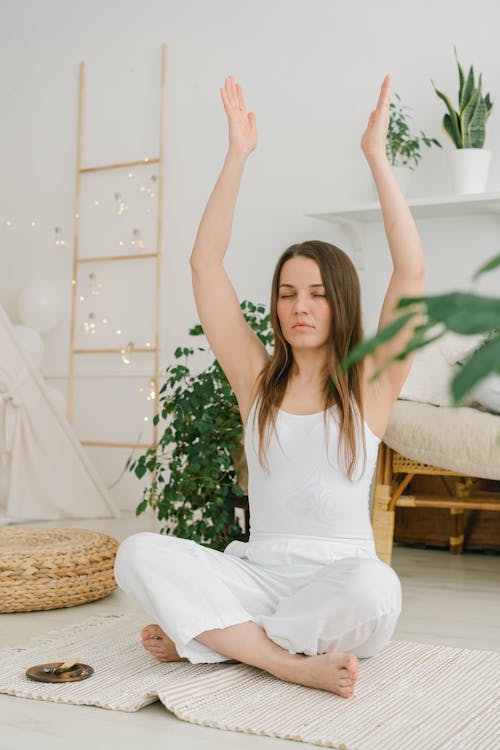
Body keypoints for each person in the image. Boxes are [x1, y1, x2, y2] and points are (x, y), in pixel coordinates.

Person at [114, 73, 426, 699]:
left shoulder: (371, 381)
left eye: (315, 293)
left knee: (378, 590)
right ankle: (285, 660)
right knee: (137, 553)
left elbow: (411, 269)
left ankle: (215, 639)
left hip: (339, 581)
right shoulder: (256, 381)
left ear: (341, 302)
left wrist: (377, 159)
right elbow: (205, 264)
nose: (298, 307)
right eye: (286, 294)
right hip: (256, 573)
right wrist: (237, 156)